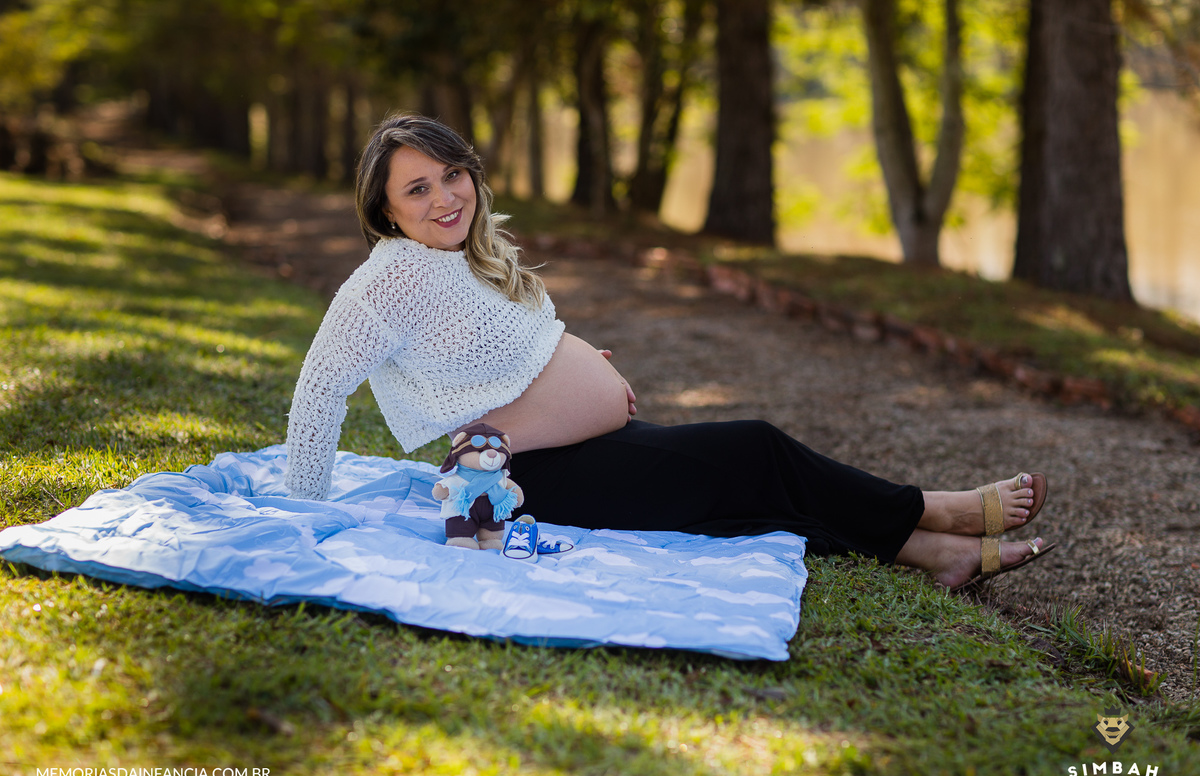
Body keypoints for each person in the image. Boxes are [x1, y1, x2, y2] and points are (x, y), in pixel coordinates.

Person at [284, 114, 1055, 591]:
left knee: (740, 490)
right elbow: (320, 387)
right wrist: (303, 516)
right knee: (754, 449)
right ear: (386, 209)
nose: (445, 197)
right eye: (417, 189)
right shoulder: (388, 278)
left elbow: (496, 360)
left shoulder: (460, 258)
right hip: (522, 482)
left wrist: (571, 364)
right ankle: (934, 510)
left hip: (571, 451)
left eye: (452, 175)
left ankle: (930, 552)